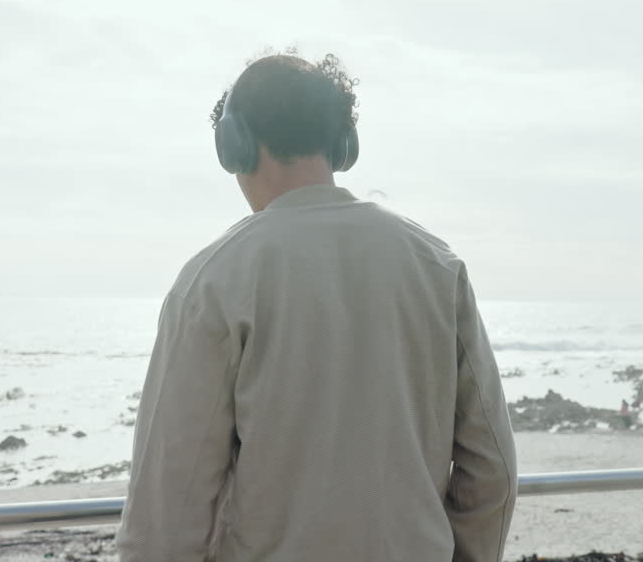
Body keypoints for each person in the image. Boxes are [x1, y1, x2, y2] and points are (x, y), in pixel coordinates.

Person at [117, 54, 518, 561]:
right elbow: (493, 468)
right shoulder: (436, 266)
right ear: (342, 144)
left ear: (234, 144)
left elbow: (166, 506)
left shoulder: (214, 280)